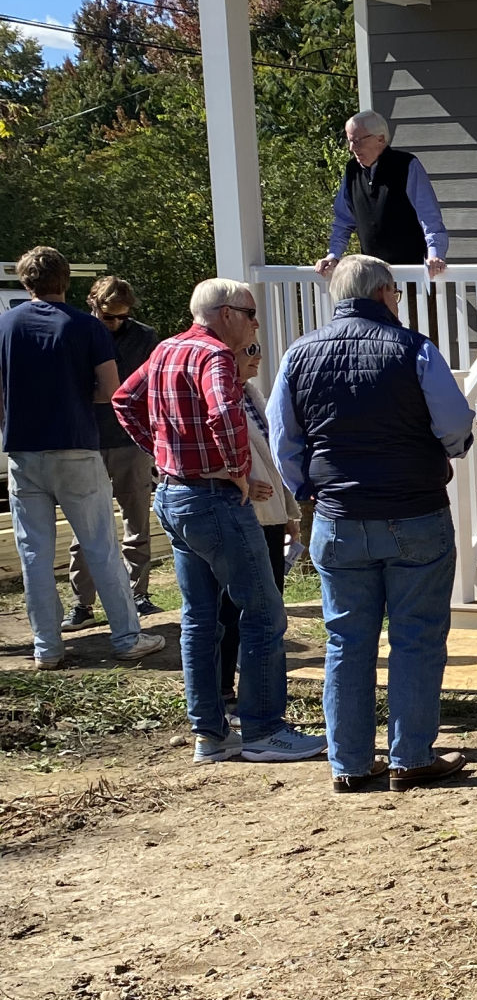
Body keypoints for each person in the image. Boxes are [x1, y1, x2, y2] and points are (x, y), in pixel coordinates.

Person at [268, 255, 475, 794]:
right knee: (417, 636)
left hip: (338, 518)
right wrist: (451, 449)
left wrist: (307, 489)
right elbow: (455, 424)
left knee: (346, 641)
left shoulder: (298, 354)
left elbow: (282, 438)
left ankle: (351, 765)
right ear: (385, 292)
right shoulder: (415, 349)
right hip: (414, 510)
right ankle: (410, 756)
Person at [113, 278, 319, 764]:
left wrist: (161, 455)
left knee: (200, 620)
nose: (254, 323)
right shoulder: (215, 357)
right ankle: (265, 731)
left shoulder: (165, 349)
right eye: (249, 313)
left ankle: (210, 734)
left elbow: (124, 400)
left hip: (173, 496)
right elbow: (225, 411)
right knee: (264, 613)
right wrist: (238, 471)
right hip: (214, 501)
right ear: (225, 313)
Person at [0, 247, 165, 673]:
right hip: (75, 446)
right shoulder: (86, 328)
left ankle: (46, 647)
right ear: (66, 281)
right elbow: (109, 391)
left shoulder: (5, 325)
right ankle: (127, 637)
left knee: (33, 552)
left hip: (22, 450)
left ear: (25, 283)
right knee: (101, 544)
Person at [65, 276, 159, 627]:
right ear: (93, 305)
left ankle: (139, 594)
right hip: (86, 440)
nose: (115, 323)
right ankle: (82, 603)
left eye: (122, 316)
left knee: (137, 522)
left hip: (130, 442)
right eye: (108, 317)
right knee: (83, 526)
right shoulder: (76, 331)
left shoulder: (145, 337)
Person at [219, 333, 293, 704]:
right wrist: (238, 480)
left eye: (259, 348)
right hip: (242, 515)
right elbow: (204, 448)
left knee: (269, 607)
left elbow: (271, 456)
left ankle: (260, 692)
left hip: (269, 516)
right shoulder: (217, 395)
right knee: (233, 610)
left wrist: (289, 512)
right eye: (249, 350)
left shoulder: (250, 394)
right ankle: (225, 691)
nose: (258, 357)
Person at [314, 112, 449, 278]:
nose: (351, 148)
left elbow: (429, 217)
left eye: (357, 141)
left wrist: (435, 255)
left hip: (413, 277)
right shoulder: (352, 172)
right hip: (373, 279)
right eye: (349, 141)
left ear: (380, 139)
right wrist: (333, 256)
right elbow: (343, 222)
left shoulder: (406, 166)